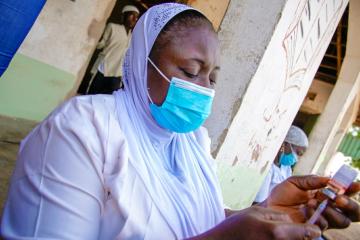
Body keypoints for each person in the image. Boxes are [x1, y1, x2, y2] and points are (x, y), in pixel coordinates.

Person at [1, 3, 359, 240]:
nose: (203, 88)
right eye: (190, 71)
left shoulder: (190, 142)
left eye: (213, 78)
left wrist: (269, 211)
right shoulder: (82, 128)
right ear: (142, 65)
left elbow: (186, 215)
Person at [87, 5, 139, 94]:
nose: (135, 19)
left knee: (108, 101)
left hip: (117, 74)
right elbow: (99, 44)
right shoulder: (112, 27)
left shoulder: (132, 37)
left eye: (136, 17)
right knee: (91, 96)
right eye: (132, 15)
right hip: (103, 69)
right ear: (124, 16)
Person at [254, 125, 308, 203]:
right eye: (297, 153)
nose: (296, 158)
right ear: (285, 144)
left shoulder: (286, 168)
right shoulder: (267, 167)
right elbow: (258, 202)